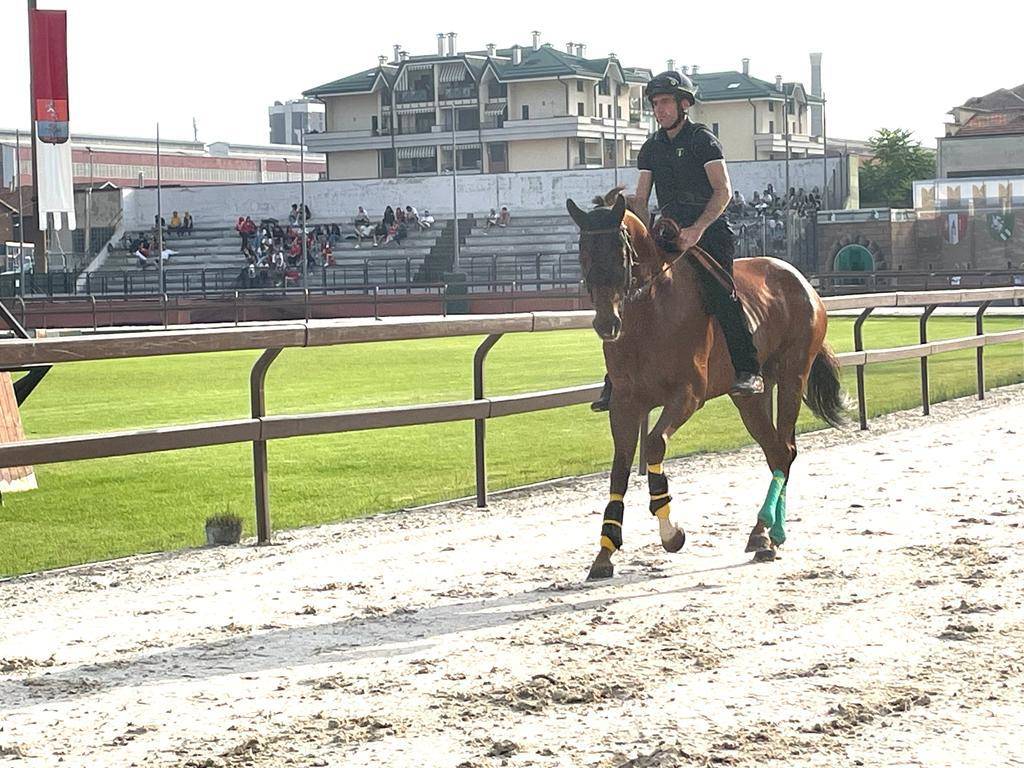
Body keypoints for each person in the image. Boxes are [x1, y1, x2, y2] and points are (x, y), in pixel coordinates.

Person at [592, 70, 764, 412]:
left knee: (721, 294)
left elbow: (723, 191)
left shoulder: (703, 141)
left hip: (710, 233)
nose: (660, 110)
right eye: (655, 104)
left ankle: (748, 370)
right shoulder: (651, 148)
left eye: (666, 102)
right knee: (632, 292)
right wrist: (618, 213)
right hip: (668, 232)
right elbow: (642, 200)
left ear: (684, 104)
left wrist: (698, 229)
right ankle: (615, 379)